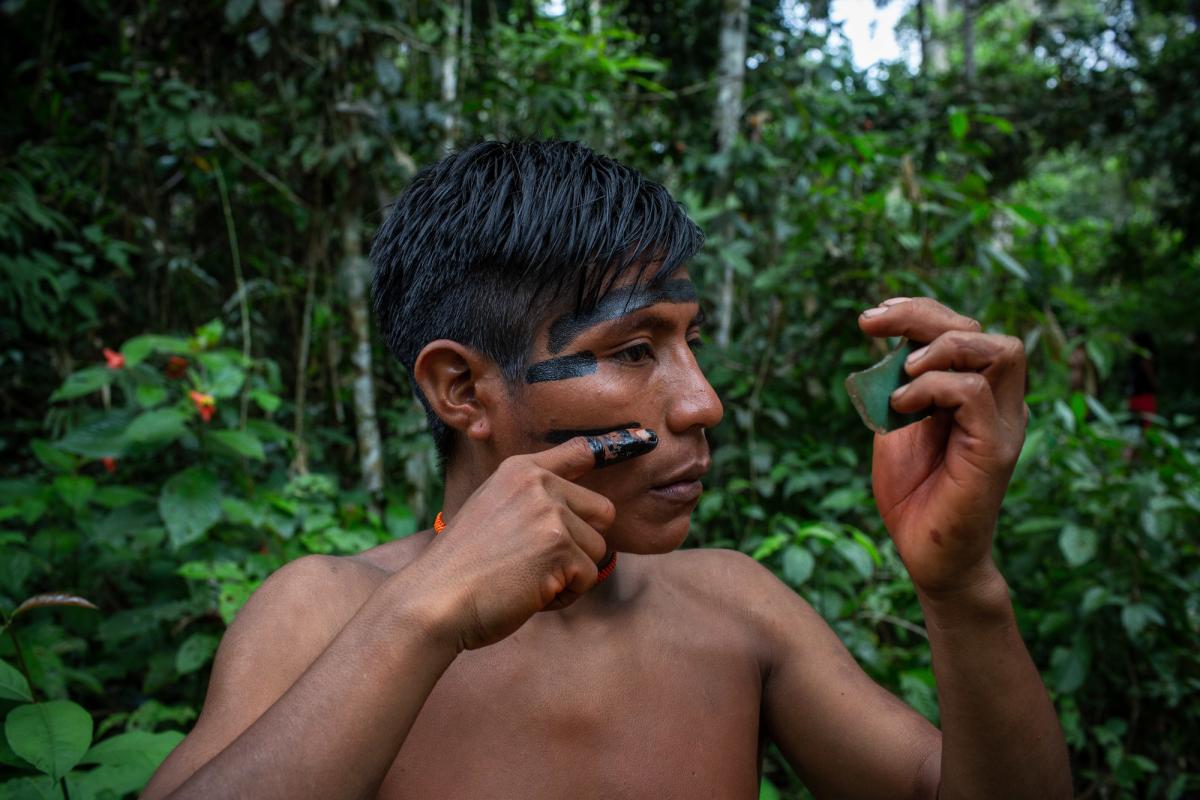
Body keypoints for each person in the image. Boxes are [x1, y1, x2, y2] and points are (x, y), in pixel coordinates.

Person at [143, 140, 1072, 799]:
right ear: (462, 390)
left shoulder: (735, 610)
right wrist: (421, 616)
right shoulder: (322, 613)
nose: (702, 402)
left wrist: (960, 587)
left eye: (689, 343)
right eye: (632, 350)